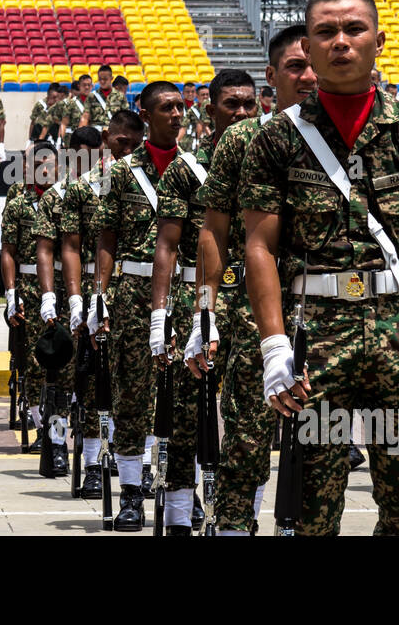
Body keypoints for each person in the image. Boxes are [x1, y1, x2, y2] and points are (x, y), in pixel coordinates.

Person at [241, 0, 399, 536]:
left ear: (379, 41)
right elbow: (260, 246)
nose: (340, 42)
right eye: (325, 32)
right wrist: (274, 345)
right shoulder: (277, 139)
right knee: (312, 506)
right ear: (309, 45)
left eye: (353, 30)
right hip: (317, 334)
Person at [192, 24, 315, 535]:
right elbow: (213, 233)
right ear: (272, 76)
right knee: (245, 441)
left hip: (329, 310)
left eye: (316, 65)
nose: (308, 76)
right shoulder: (244, 138)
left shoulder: (358, 133)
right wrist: (205, 314)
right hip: (251, 315)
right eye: (294, 66)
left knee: (318, 442)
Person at [151, 68, 257, 535]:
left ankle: (242, 516)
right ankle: (178, 513)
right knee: (186, 413)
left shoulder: (272, 160)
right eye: (231, 103)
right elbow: (168, 247)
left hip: (255, 302)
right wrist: (161, 315)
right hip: (199, 300)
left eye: (248, 104)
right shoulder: (185, 169)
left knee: (250, 416)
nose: (240, 112)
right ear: (209, 108)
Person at [93, 80, 186, 531]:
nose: (176, 114)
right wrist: (99, 294)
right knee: (132, 394)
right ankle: (131, 492)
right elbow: (106, 239)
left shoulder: (198, 167)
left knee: (186, 397)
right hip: (132, 293)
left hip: (187, 293)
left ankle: (182, 494)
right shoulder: (122, 172)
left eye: (181, 106)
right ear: (145, 116)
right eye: (166, 107)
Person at [53, 115, 143, 497]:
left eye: (132, 144)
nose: (126, 151)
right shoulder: (83, 187)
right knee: (91, 383)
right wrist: (78, 300)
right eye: (120, 143)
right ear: (107, 139)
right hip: (97, 289)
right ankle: (92, 463)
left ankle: (143, 467)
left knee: (140, 385)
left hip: (140, 293)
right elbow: (70, 246)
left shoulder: (152, 182)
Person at [1, 143, 66, 474]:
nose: (43, 169)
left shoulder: (69, 198)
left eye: (48, 163)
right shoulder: (18, 204)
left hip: (64, 289)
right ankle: (44, 430)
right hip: (28, 289)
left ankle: (59, 437)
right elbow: (8, 251)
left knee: (65, 370)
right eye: (36, 163)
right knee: (35, 366)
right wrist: (11, 295)